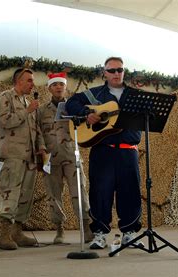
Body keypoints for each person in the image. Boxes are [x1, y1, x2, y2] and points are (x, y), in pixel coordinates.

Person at [65, 57, 143, 249]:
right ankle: (99, 234)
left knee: (130, 192)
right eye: (112, 70)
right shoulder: (95, 94)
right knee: (100, 192)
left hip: (128, 152)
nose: (117, 73)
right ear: (104, 73)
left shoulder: (135, 95)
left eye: (120, 70)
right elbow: (71, 103)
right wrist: (86, 113)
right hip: (103, 151)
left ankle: (129, 233)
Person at [36, 72, 93, 244]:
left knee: (79, 191)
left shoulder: (73, 107)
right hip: (51, 158)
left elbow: (85, 128)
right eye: (55, 85)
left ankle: (86, 227)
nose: (58, 87)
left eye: (61, 84)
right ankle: (59, 229)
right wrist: (41, 150)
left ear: (65, 87)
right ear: (49, 88)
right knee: (53, 195)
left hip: (71, 155)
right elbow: (37, 132)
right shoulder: (42, 111)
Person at [0, 68, 47, 250]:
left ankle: (17, 232)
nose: (33, 83)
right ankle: (4, 235)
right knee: (10, 193)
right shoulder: (6, 97)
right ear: (18, 81)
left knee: (25, 195)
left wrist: (41, 147)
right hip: (12, 155)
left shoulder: (28, 102)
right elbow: (4, 121)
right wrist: (27, 111)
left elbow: (35, 128)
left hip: (29, 156)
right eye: (29, 80)